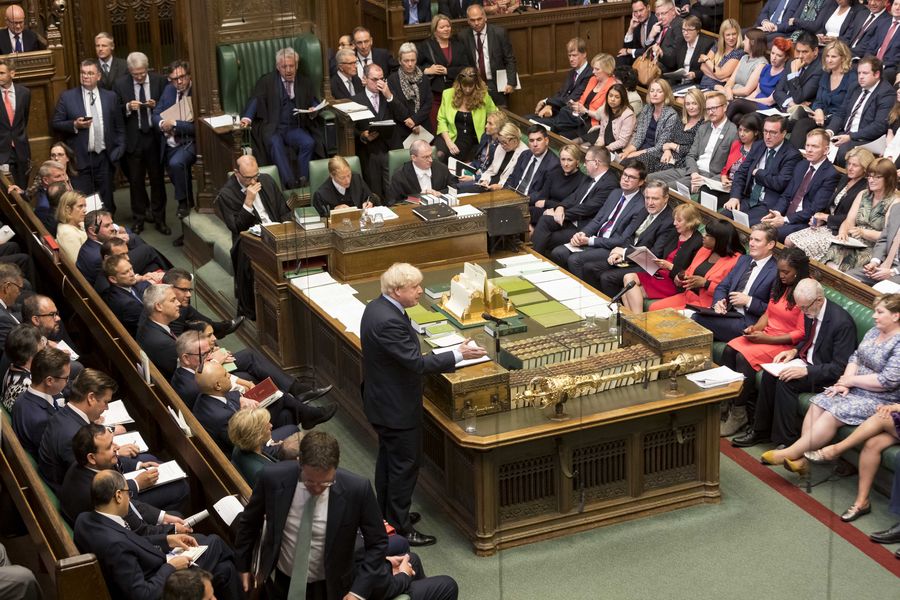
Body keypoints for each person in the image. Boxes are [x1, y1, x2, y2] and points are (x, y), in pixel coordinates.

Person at [361, 264, 486, 546]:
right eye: (415, 287)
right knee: (403, 467)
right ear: (397, 290)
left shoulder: (378, 307)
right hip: (395, 408)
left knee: (389, 463)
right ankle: (400, 527)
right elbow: (415, 363)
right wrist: (458, 355)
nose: (420, 291)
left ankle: (389, 516)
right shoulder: (388, 321)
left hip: (383, 401)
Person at [759, 294, 900, 480]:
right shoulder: (875, 331)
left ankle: (791, 452)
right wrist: (844, 381)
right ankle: (802, 459)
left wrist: (851, 381)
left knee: (832, 413)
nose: (874, 316)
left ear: (896, 316)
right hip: (854, 385)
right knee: (818, 402)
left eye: (880, 312)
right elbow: (855, 357)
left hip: (880, 398)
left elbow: (887, 381)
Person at [233, 430, 388, 598]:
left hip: (329, 588)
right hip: (279, 581)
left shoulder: (357, 490)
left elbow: (378, 543)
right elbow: (250, 522)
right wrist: (243, 565)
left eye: (326, 483)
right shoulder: (272, 478)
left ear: (336, 467)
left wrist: (357, 591)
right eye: (309, 481)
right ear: (299, 462)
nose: (317, 489)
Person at [74, 469, 241, 600]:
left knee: (224, 569)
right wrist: (171, 567)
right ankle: (244, 571)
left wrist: (167, 540)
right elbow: (143, 595)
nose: (129, 498)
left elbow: (133, 542)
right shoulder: (115, 546)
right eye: (128, 493)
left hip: (149, 566)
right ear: (118, 496)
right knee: (215, 542)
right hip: (160, 582)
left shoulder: (84, 520)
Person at [733, 278, 858, 449]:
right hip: (804, 362)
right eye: (800, 307)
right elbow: (808, 339)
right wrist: (794, 351)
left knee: (787, 381)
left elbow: (839, 368)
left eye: (804, 307)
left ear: (819, 300)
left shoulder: (842, 323)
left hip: (824, 373)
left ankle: (786, 441)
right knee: (770, 374)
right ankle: (760, 431)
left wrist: (807, 371)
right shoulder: (810, 310)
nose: (802, 311)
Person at [720, 248, 809, 436]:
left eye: (786, 272)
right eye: (780, 271)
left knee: (743, 358)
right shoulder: (781, 285)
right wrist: (755, 329)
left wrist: (766, 338)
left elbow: (801, 333)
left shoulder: (804, 291)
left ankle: (739, 413)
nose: (782, 275)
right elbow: (768, 313)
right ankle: (726, 402)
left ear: (798, 271)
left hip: (783, 343)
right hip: (766, 334)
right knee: (729, 349)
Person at [60, 423, 191, 532]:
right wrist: (167, 528)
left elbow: (114, 463)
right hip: (113, 532)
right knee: (178, 503)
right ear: (91, 458)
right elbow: (137, 528)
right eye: (109, 446)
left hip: (122, 512)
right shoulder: (97, 491)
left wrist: (161, 516)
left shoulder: (88, 463)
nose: (117, 447)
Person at [217, 155, 291, 319]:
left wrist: (285, 228)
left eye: (255, 175)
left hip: (277, 232)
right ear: (237, 173)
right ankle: (260, 307)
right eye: (248, 178)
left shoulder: (267, 180)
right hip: (248, 240)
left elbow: (284, 210)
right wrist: (248, 202)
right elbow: (237, 228)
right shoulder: (226, 194)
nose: (253, 181)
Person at [240, 48, 324, 190]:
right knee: (275, 143)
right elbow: (255, 100)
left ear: (297, 66)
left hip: (294, 128)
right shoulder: (266, 81)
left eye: (292, 66)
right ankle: (290, 183)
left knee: (308, 142)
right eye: (285, 66)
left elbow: (313, 100)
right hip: (273, 127)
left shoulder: (304, 82)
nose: (289, 70)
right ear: (278, 67)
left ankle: (303, 179)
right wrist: (247, 118)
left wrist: (314, 109)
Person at [51, 59, 125, 214]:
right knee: (84, 203)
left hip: (105, 157)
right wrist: (74, 125)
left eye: (90, 73)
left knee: (107, 202)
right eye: (83, 73)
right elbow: (56, 123)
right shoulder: (67, 97)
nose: (85, 76)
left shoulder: (110, 97)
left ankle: (108, 226)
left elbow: (119, 127)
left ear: (98, 76)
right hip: (80, 159)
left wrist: (118, 150)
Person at [550, 161, 647, 279]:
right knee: (558, 252)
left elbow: (622, 240)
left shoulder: (641, 206)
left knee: (575, 260)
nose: (626, 179)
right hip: (595, 239)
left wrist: (590, 241)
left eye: (631, 177)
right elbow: (598, 220)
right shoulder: (616, 193)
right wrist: (582, 234)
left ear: (641, 182)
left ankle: (582, 289)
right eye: (625, 175)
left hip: (611, 247)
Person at [692, 223, 779, 343]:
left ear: (770, 244)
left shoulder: (776, 271)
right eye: (751, 239)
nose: (751, 243)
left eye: (757, 240)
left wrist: (749, 301)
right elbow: (723, 286)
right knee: (691, 314)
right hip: (727, 312)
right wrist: (719, 302)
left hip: (749, 322)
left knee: (695, 318)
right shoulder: (744, 260)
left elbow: (774, 310)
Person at [112, 51, 169, 235]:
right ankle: (139, 219)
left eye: (142, 73)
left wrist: (157, 105)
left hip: (154, 137)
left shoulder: (159, 81)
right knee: (136, 182)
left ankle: (160, 219)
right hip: (134, 139)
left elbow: (169, 106)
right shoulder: (120, 84)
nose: (139, 77)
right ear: (129, 71)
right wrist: (128, 107)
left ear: (147, 68)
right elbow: (114, 111)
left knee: (157, 181)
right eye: (135, 74)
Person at [589, 181, 679, 294]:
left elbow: (655, 254)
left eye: (655, 199)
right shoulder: (645, 210)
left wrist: (624, 253)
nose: (650, 203)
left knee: (607, 277)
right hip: (631, 257)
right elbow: (630, 236)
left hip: (648, 265)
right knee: (591, 268)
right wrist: (620, 254)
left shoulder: (669, 221)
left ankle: (616, 304)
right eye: (647, 198)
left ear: (666, 198)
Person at [786, 146, 873, 260]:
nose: (850, 168)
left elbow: (854, 219)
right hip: (827, 225)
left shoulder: (866, 188)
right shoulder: (845, 179)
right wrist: (820, 219)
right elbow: (832, 206)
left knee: (797, 248)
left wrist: (826, 218)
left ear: (865, 169)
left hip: (841, 232)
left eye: (855, 165)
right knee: (788, 240)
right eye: (849, 164)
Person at [530, 146, 617, 255]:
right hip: (572, 219)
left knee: (547, 238)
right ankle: (532, 257)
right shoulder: (590, 177)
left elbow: (588, 208)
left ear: (596, 163)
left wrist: (561, 214)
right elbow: (574, 197)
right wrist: (560, 207)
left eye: (586, 161)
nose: (584, 165)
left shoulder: (610, 184)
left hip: (583, 226)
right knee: (544, 220)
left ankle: (534, 258)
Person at [619, 202, 704, 314]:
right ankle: (635, 319)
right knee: (627, 282)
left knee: (627, 289)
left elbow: (690, 272)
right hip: (659, 273)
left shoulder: (697, 242)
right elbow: (661, 253)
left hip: (674, 281)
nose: (674, 223)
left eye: (679, 221)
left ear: (690, 222)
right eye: (674, 219)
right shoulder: (674, 233)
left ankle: (635, 319)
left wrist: (670, 267)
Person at [760, 128, 840, 241]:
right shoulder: (801, 165)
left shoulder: (830, 174)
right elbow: (787, 195)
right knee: (759, 225)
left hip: (804, 222)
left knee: (769, 234)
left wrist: (785, 220)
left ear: (826, 150)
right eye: (807, 145)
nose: (809, 150)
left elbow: (815, 208)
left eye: (814, 146)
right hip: (786, 216)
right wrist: (776, 212)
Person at [648, 90, 737, 191]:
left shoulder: (733, 132)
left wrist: (707, 181)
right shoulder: (704, 127)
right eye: (708, 109)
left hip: (708, 176)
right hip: (690, 170)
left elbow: (730, 167)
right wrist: (694, 172)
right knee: (648, 179)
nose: (710, 112)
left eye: (714, 108)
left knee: (663, 188)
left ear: (725, 107)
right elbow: (691, 155)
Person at [649, 219, 744, 311]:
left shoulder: (737, 260)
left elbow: (729, 292)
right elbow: (689, 271)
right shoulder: (704, 249)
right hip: (688, 296)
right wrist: (681, 276)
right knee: (654, 308)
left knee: (668, 315)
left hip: (706, 304)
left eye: (707, 235)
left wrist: (705, 284)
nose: (703, 235)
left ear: (720, 240)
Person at [820, 156, 896, 272]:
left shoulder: (894, 202)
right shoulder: (863, 194)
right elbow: (849, 220)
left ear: (888, 179)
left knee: (845, 262)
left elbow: (888, 236)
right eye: (869, 176)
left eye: (877, 177)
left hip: (873, 248)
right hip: (853, 241)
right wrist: (843, 233)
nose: (871, 180)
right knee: (833, 254)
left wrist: (863, 232)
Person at [722, 115, 802, 224]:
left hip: (767, 205)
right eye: (765, 131)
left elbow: (780, 183)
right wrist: (735, 197)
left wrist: (758, 173)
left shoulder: (792, 155)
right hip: (748, 198)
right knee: (722, 218)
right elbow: (741, 173)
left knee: (743, 224)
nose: (767, 136)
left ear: (783, 133)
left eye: (773, 132)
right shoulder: (758, 145)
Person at [825, 56, 895, 166]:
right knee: (819, 141)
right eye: (859, 73)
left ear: (877, 74)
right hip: (845, 134)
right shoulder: (855, 87)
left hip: (866, 140)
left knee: (842, 152)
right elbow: (841, 113)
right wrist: (829, 132)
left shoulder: (886, 93)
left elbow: (879, 126)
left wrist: (851, 137)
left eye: (865, 73)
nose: (861, 77)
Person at [75, 208, 169, 286]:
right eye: (107, 226)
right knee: (146, 250)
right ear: (92, 231)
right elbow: (113, 280)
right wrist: (138, 277)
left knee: (152, 265)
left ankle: (167, 273)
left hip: (112, 275)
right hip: (111, 287)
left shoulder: (91, 244)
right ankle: (170, 273)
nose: (113, 228)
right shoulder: (97, 257)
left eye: (112, 223)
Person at [352, 63, 406, 198]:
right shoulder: (356, 100)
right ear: (364, 79)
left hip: (391, 148)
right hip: (370, 152)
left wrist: (389, 96)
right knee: (375, 192)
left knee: (394, 191)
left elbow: (403, 115)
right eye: (375, 79)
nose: (379, 83)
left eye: (382, 79)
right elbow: (350, 129)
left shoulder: (389, 95)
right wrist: (363, 135)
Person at [153, 60, 196, 222]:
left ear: (189, 75)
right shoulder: (169, 90)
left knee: (177, 164)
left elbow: (198, 127)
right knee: (177, 175)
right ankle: (187, 204)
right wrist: (162, 123)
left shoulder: (197, 92)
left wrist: (175, 124)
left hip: (190, 142)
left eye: (182, 77)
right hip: (169, 143)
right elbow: (156, 113)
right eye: (174, 79)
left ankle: (184, 203)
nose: (179, 82)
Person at [789, 40, 852, 149]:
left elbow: (844, 110)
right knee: (801, 124)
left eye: (833, 57)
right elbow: (818, 101)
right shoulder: (826, 75)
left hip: (837, 123)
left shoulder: (851, 79)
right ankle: (792, 156)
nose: (829, 60)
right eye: (827, 56)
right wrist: (818, 110)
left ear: (843, 58)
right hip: (820, 118)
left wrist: (830, 129)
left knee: (813, 133)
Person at [434, 67, 497, 164]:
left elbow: (495, 115)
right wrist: (449, 142)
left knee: (454, 157)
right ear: (459, 83)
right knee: (439, 154)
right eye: (464, 86)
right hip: (448, 134)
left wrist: (492, 130)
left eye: (471, 86)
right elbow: (441, 120)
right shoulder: (448, 94)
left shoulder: (483, 96)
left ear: (476, 84)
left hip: (468, 137)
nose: (467, 89)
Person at [11, 346, 66, 456]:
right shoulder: (43, 420)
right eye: (66, 378)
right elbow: (53, 454)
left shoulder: (23, 395)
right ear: (49, 381)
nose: (67, 382)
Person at [459, 4, 517, 106]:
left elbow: (510, 59)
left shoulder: (499, 33)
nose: (476, 23)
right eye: (472, 20)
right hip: (475, 84)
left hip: (496, 83)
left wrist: (511, 83)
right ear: (468, 21)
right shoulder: (463, 36)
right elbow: (463, 63)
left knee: (500, 113)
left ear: (485, 17)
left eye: (479, 19)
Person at [549, 53, 616, 141]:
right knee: (564, 111)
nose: (593, 72)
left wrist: (585, 110)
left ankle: (550, 130)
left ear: (607, 70)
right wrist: (576, 105)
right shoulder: (593, 79)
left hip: (592, 122)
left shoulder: (612, 86)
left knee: (560, 126)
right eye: (593, 68)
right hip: (579, 117)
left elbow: (603, 114)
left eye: (597, 69)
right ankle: (550, 130)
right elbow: (582, 99)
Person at [228, 406, 300, 487]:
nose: (271, 425)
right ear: (258, 436)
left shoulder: (239, 446)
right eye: (266, 426)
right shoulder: (266, 473)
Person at [726, 38, 792, 125]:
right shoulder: (766, 68)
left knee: (737, 102)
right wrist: (746, 100)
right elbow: (757, 91)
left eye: (779, 56)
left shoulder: (784, 75)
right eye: (772, 53)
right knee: (737, 117)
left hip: (768, 108)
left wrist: (746, 100)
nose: (774, 58)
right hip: (755, 102)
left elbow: (770, 101)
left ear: (786, 58)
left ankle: (720, 126)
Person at [642, 87, 705, 175]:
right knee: (641, 161)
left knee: (657, 170)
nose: (690, 107)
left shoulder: (703, 125)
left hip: (681, 161)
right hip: (666, 154)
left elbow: (695, 152)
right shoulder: (682, 121)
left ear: (701, 104)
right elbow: (668, 140)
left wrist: (672, 146)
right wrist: (667, 151)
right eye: (687, 104)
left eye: (694, 103)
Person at [418, 15, 467, 128]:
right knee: (437, 126)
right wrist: (427, 70)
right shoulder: (426, 46)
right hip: (435, 95)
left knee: (455, 126)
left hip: (456, 93)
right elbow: (413, 67)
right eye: (442, 27)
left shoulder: (458, 45)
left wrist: (448, 71)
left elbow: (466, 68)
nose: (446, 29)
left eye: (448, 26)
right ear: (435, 30)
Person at [163, 269, 242, 339]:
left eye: (189, 290)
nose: (189, 295)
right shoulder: (171, 312)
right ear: (169, 288)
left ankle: (216, 327)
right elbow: (178, 344)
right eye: (183, 290)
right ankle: (217, 328)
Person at [618, 78, 678, 163]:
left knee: (628, 162)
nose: (654, 94)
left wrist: (635, 154)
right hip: (641, 148)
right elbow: (639, 138)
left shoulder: (671, 115)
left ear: (666, 94)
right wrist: (627, 152)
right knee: (620, 159)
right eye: (652, 91)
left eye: (659, 91)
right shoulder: (647, 108)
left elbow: (660, 146)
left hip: (656, 154)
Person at [533, 38, 592, 123]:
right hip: (559, 111)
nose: (571, 59)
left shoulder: (589, 74)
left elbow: (571, 99)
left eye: (574, 55)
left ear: (584, 54)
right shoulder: (572, 72)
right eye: (569, 55)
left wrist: (545, 101)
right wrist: (549, 105)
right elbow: (561, 93)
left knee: (534, 124)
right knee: (527, 119)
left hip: (571, 118)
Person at [387, 139, 457, 204]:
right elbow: (394, 202)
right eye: (426, 157)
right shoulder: (400, 176)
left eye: (431, 155)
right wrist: (419, 197)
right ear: (414, 158)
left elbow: (454, 188)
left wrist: (440, 194)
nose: (430, 160)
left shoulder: (441, 168)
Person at [772, 31, 823, 116]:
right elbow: (777, 92)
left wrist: (794, 74)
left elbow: (798, 98)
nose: (800, 56)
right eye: (798, 51)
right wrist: (792, 104)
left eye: (805, 52)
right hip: (784, 107)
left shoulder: (819, 69)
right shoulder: (792, 62)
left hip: (803, 115)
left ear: (815, 51)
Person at [503, 124, 559, 201]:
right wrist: (503, 194)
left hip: (528, 202)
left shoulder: (554, 164)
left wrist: (520, 200)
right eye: (531, 140)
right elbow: (512, 177)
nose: (535, 144)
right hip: (511, 197)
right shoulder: (524, 154)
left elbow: (543, 193)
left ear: (546, 141)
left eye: (539, 140)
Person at [388, 42, 433, 139]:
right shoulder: (393, 79)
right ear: (400, 61)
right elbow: (395, 106)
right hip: (403, 128)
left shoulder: (423, 77)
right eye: (406, 60)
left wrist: (415, 120)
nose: (410, 64)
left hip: (423, 126)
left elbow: (428, 103)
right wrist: (411, 123)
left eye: (413, 60)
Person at [466, 122, 525, 191]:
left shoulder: (524, 154)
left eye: (504, 142)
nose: (502, 146)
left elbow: (515, 180)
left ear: (514, 141)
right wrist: (485, 180)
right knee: (459, 187)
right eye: (500, 142)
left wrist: (501, 186)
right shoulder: (500, 147)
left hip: (503, 189)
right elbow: (491, 170)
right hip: (489, 184)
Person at [101, 254, 149, 336]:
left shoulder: (115, 289)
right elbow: (149, 324)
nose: (132, 274)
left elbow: (136, 287)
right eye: (125, 272)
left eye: (131, 268)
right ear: (113, 279)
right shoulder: (129, 304)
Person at [0, 58, 30, 189]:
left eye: (2, 73)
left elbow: (24, 118)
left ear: (12, 73)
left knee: (22, 188)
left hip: (21, 148)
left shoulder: (24, 93)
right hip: (2, 149)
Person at [715, 29, 767, 103]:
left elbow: (746, 91)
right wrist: (727, 89)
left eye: (745, 40)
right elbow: (731, 80)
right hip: (730, 94)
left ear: (752, 43)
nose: (743, 42)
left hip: (742, 100)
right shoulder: (744, 57)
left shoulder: (761, 64)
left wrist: (727, 91)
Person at [661, 16, 714, 87]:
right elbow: (672, 63)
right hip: (680, 82)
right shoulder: (681, 41)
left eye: (689, 30)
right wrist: (661, 53)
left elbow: (710, 70)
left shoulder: (707, 44)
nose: (685, 33)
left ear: (697, 30)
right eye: (683, 30)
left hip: (697, 83)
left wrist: (695, 74)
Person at [456, 110, 505, 184]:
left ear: (499, 128)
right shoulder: (485, 136)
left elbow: (492, 173)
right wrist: (469, 166)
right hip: (476, 170)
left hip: (485, 178)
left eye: (490, 124)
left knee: (459, 185)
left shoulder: (502, 146)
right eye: (487, 122)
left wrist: (474, 178)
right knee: (451, 176)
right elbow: (478, 159)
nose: (486, 126)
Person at [698, 18, 744, 89]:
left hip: (720, 89)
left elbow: (721, 74)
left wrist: (706, 59)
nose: (731, 38)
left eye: (734, 34)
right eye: (728, 35)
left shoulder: (739, 52)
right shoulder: (717, 46)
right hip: (704, 84)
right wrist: (718, 78)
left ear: (738, 34)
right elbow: (703, 66)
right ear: (723, 36)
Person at [588, 83, 636, 151]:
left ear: (622, 99)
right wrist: (597, 146)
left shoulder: (628, 115)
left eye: (617, 97)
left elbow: (622, 142)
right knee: (584, 146)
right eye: (610, 96)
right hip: (606, 142)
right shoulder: (606, 109)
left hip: (619, 148)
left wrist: (603, 150)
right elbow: (602, 134)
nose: (612, 99)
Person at [617, 0, 658, 65]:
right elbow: (626, 48)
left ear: (648, 8)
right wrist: (631, 29)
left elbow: (651, 50)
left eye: (641, 10)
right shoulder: (637, 22)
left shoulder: (656, 21)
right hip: (640, 56)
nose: (638, 14)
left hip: (651, 58)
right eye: (635, 12)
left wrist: (629, 51)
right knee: (622, 57)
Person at [54, 191, 87, 264]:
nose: (85, 210)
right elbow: (78, 264)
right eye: (80, 206)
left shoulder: (79, 224)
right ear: (68, 209)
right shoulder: (67, 234)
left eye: (85, 206)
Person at [0, 263, 23, 353]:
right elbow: (18, 352)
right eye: (19, 289)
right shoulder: (3, 318)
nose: (19, 293)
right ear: (7, 287)